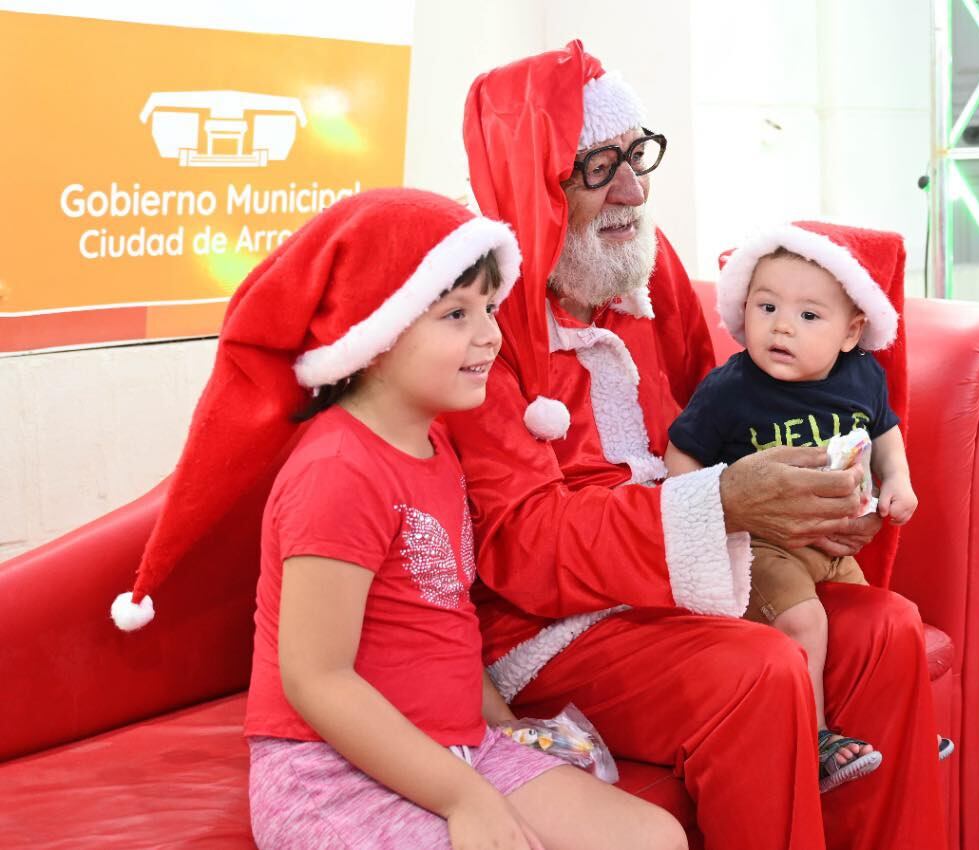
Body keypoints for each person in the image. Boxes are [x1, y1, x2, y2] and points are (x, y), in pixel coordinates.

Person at [447, 42, 947, 848]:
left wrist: (804, 506)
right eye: (599, 165)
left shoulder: (646, 266)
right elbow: (517, 546)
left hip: (690, 586)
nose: (635, 189)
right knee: (760, 672)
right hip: (550, 628)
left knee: (885, 626)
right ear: (534, 179)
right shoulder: (477, 320)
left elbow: (723, 418)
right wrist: (722, 504)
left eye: (638, 154)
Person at [110, 189, 687, 850]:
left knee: (652, 838)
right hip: (327, 772)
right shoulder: (338, 471)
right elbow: (315, 678)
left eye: (490, 308)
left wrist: (502, 732)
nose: (489, 335)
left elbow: (440, 618)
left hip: (456, 748)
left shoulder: (436, 442)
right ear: (378, 334)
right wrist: (465, 798)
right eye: (455, 314)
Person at [666, 223, 955, 792]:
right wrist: (703, 519)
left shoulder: (861, 375)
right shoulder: (730, 389)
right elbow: (681, 453)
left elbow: (886, 431)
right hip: (763, 543)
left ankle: (901, 731)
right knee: (806, 621)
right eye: (766, 306)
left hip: (834, 535)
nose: (780, 326)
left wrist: (897, 480)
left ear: (851, 333)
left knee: (885, 622)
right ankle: (816, 738)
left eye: (808, 316)